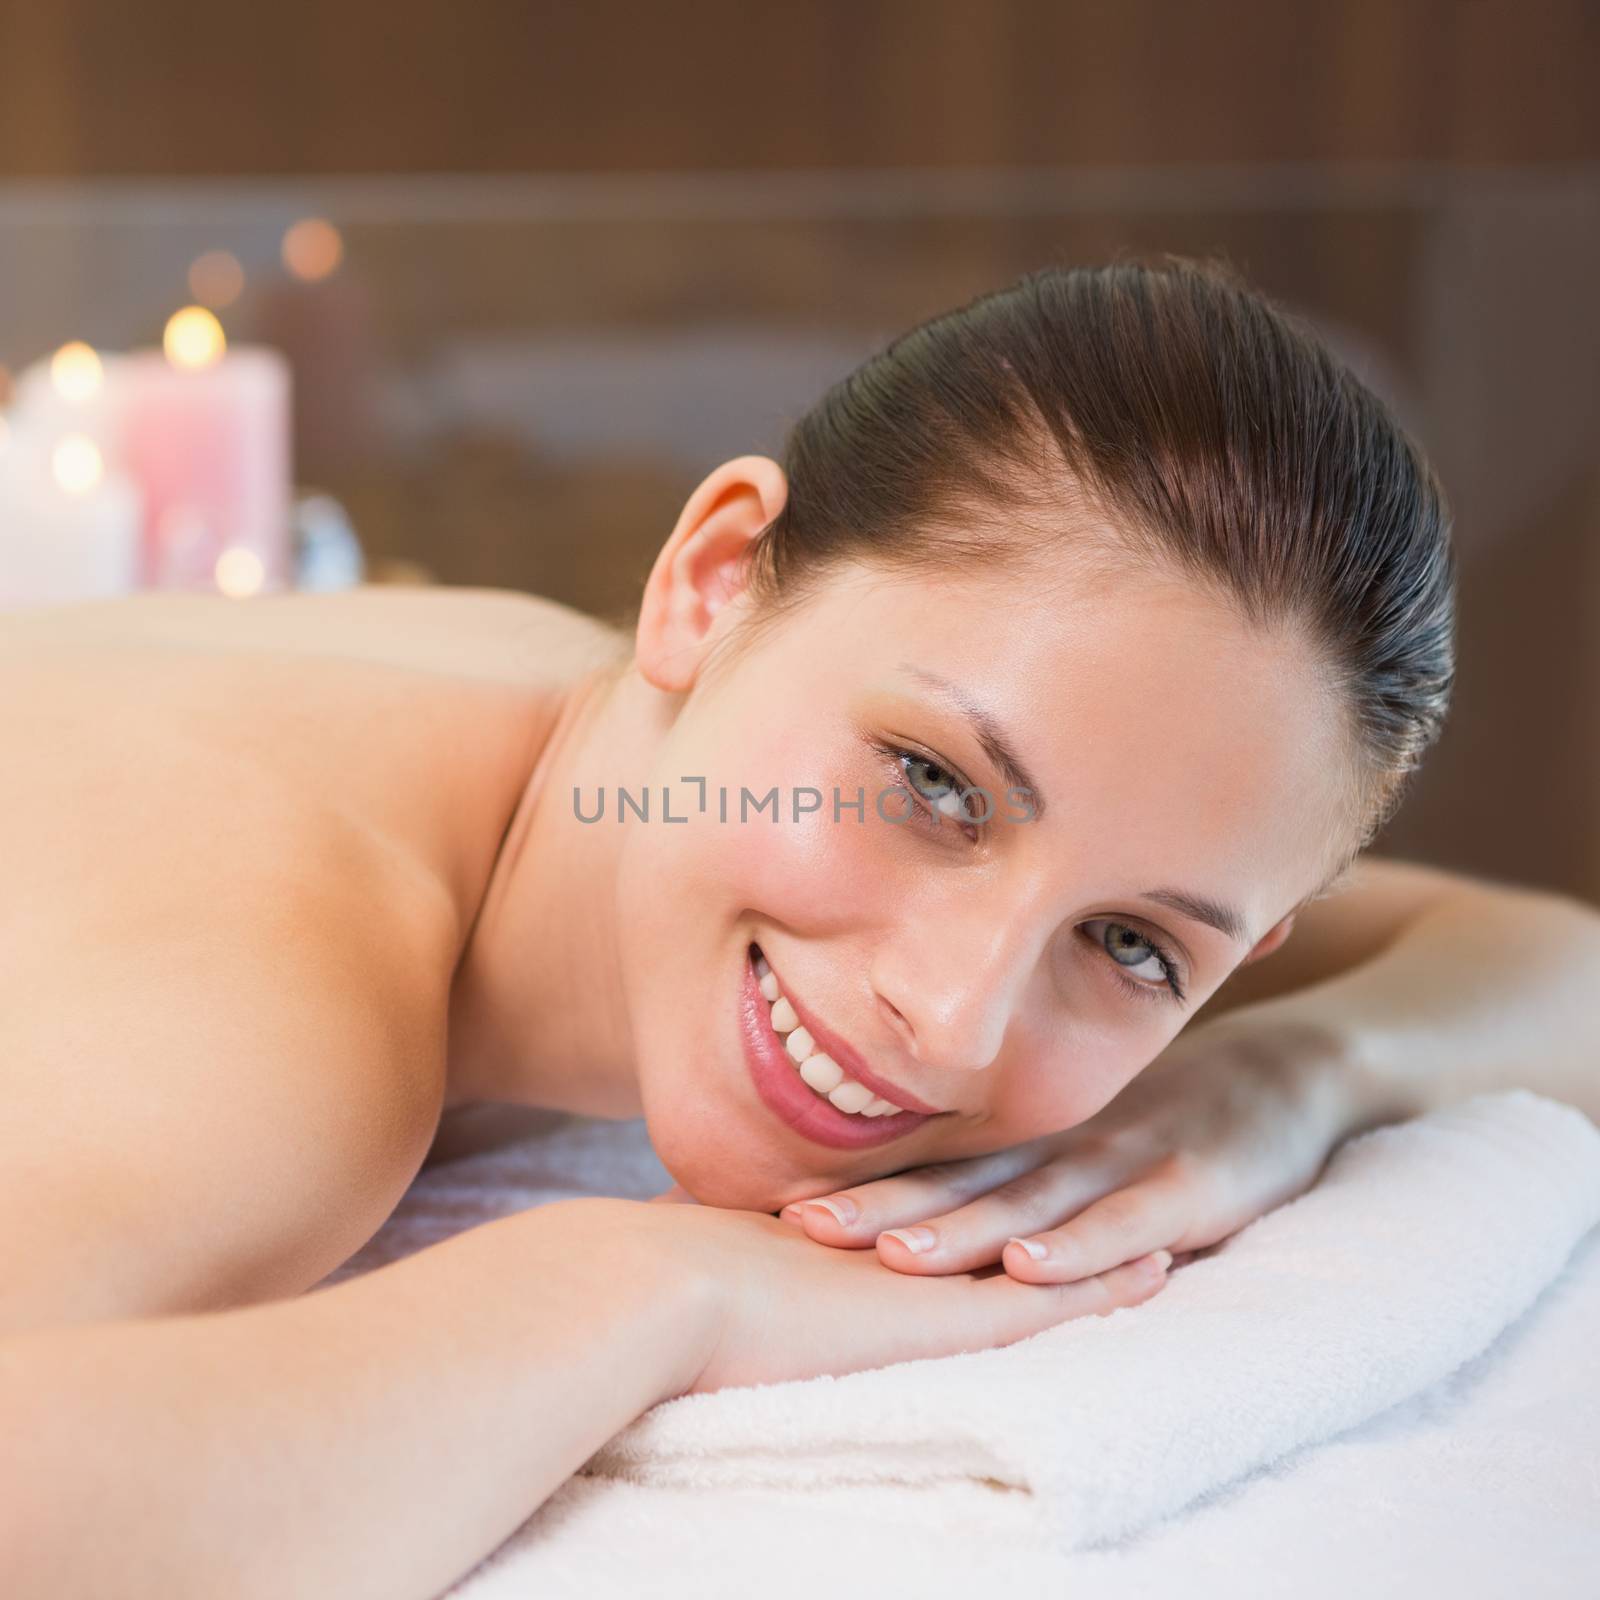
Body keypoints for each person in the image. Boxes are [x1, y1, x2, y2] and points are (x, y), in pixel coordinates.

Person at [3, 256, 1597, 1597]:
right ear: (709, 582)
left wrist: (1286, 1082)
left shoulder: (631, 737)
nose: (955, 1017)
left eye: (1131, 950)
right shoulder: (282, 1004)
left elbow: (1560, 965)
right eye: (933, 785)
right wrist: (652, 1289)